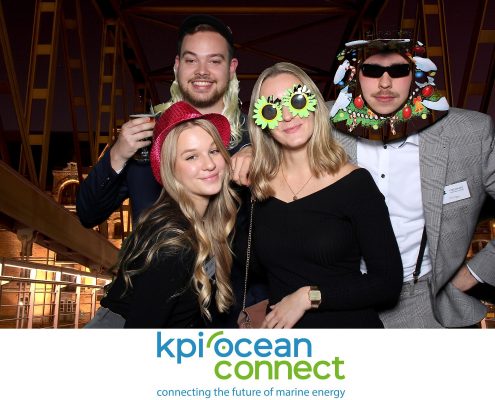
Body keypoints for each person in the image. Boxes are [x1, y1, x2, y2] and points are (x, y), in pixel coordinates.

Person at [329, 38, 495, 328]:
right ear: (355, 74)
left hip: (425, 300)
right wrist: (248, 151)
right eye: (371, 70)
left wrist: (474, 274)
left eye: (398, 71)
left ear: (416, 73)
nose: (384, 83)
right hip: (340, 296)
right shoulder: (320, 125)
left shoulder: (469, 134)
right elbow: (265, 123)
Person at [247, 62, 403, 328]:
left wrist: (308, 297)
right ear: (262, 122)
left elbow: (388, 283)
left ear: (314, 105)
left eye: (296, 101)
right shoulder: (256, 189)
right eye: (272, 109)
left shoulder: (355, 184)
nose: (287, 116)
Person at [76, 14, 251, 228]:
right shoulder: (145, 135)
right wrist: (118, 155)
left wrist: (264, 160)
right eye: (191, 60)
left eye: (214, 61)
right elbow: (88, 214)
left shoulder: (254, 137)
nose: (202, 71)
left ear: (231, 68)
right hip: (155, 251)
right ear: (177, 66)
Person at [85, 101, 238, 328]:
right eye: (191, 157)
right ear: (170, 170)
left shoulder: (203, 222)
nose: (209, 164)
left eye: (214, 151)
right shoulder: (173, 243)